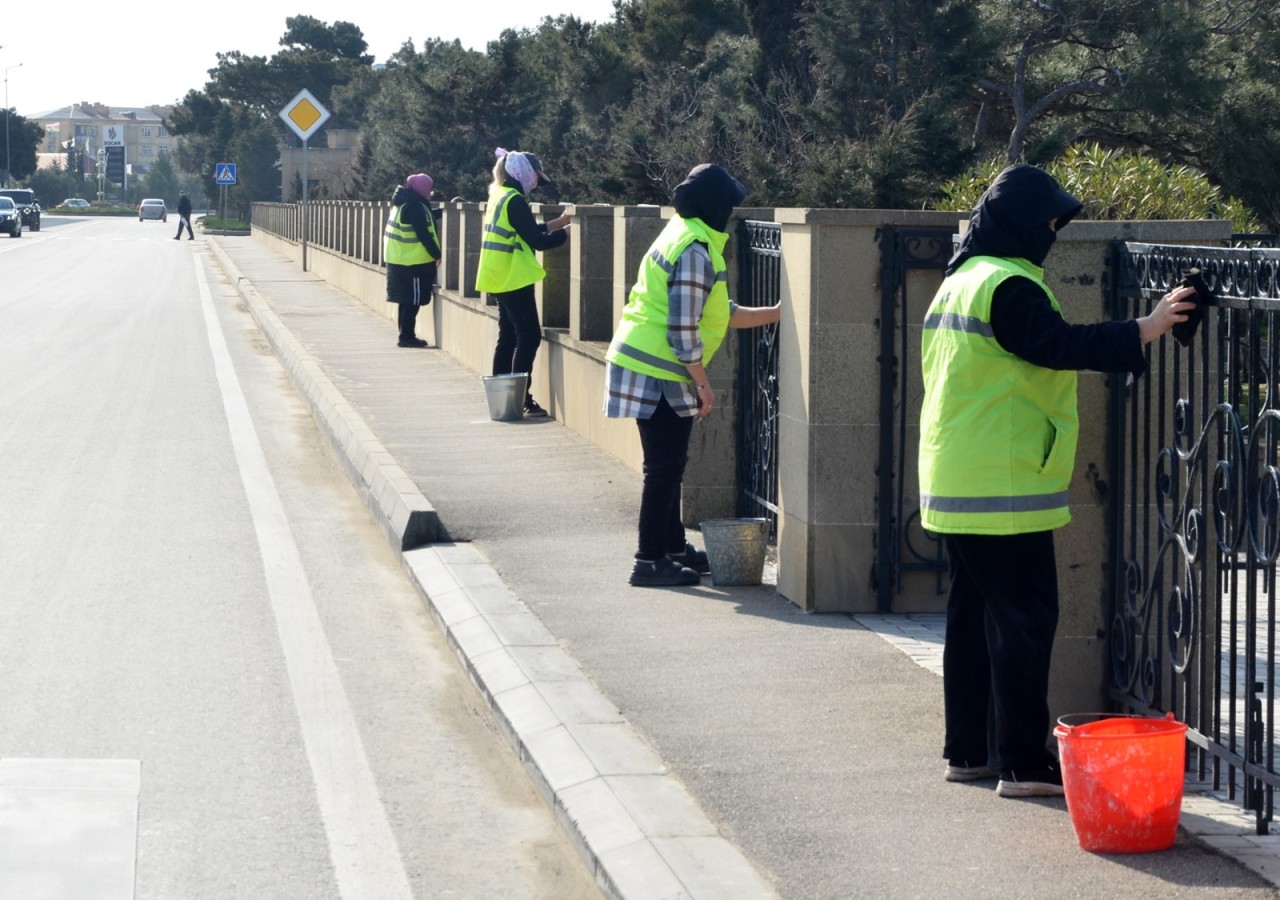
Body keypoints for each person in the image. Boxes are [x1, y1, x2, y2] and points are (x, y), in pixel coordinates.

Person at [918, 164, 1196, 798]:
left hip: (955, 475)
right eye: (1047, 221)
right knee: (1024, 619)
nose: (1052, 230)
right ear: (1020, 223)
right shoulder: (1009, 285)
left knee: (970, 619)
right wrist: (1145, 328)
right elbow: (1056, 344)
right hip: (1001, 485)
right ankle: (1020, 762)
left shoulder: (960, 280)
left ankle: (968, 751)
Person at [604, 163, 781, 587]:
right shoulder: (696, 252)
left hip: (646, 363)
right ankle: (649, 560)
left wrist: (776, 313)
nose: (734, 213)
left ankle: (671, 548)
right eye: (730, 205)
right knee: (663, 468)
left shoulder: (683, 234)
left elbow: (721, 313)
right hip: (659, 371)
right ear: (716, 206)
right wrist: (703, 384)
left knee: (668, 465)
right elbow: (683, 332)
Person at [476, 148, 570, 418]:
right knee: (528, 336)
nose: (536, 183)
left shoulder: (500, 195)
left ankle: (503, 400)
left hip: (498, 275)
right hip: (512, 276)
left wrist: (557, 223)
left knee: (507, 337)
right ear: (524, 173)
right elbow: (537, 241)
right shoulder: (515, 200)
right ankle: (522, 399)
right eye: (536, 177)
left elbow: (528, 230)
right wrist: (566, 234)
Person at [384, 173, 441, 348]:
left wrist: (444, 211)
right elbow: (423, 233)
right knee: (413, 301)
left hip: (400, 260)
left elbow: (424, 217)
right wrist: (436, 254)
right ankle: (407, 337)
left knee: (406, 300)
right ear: (422, 189)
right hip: (413, 263)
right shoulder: (414, 207)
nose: (430, 193)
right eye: (429, 189)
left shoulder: (404, 203)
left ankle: (405, 335)